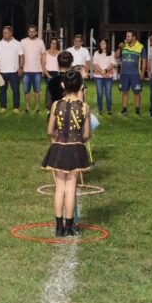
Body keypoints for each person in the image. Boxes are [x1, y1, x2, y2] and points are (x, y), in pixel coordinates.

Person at [42, 70, 93, 238]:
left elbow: (50, 130)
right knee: (71, 189)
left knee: (60, 188)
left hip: (58, 148)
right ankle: (70, 227)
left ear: (63, 85)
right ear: (80, 87)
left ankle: (59, 227)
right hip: (75, 148)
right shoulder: (84, 107)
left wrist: (58, 137)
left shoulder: (56, 105)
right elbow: (86, 135)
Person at [0, 25, 25, 113]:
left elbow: (21, 56)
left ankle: (16, 107)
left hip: (14, 72)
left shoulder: (17, 43)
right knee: (2, 91)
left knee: (16, 90)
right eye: (3, 33)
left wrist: (21, 67)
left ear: (11, 33)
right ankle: (3, 107)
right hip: (2, 72)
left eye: (6, 32)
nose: (4, 34)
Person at [116, 30, 146, 115]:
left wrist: (143, 73)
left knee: (137, 92)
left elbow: (144, 61)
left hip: (135, 74)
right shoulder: (124, 46)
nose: (126, 38)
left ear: (134, 37)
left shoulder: (141, 47)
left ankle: (137, 109)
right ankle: (124, 109)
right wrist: (120, 47)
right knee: (124, 92)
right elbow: (116, 56)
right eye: (126, 36)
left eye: (128, 36)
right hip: (124, 73)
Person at [21, 25, 47, 113]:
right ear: (28, 32)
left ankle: (37, 107)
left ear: (36, 32)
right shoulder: (23, 41)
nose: (31, 33)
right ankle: (27, 107)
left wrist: (43, 68)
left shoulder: (40, 42)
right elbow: (21, 55)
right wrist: (20, 67)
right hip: (26, 70)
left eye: (33, 31)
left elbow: (43, 55)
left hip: (37, 71)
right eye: (30, 31)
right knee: (26, 90)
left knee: (37, 90)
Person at [91, 38, 115, 115]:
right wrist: (102, 72)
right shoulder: (96, 53)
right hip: (98, 77)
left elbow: (112, 63)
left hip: (108, 76)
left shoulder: (111, 53)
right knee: (100, 93)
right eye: (101, 43)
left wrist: (105, 71)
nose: (102, 45)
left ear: (107, 45)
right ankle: (100, 110)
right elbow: (95, 64)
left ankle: (109, 110)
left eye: (103, 43)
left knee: (108, 93)